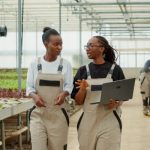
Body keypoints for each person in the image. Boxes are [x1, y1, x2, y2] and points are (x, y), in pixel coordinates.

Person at [71, 36, 125, 150]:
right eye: (87, 46)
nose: (87, 48)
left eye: (91, 45)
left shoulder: (115, 70)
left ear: (101, 48)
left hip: (109, 120)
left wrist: (115, 103)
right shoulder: (82, 71)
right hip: (87, 122)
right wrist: (82, 89)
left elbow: (121, 96)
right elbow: (78, 101)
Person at [26, 27, 73, 150]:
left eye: (61, 44)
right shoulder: (34, 64)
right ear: (46, 44)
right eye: (56, 44)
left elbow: (69, 85)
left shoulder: (65, 64)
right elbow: (29, 86)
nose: (60, 47)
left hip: (58, 114)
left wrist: (64, 94)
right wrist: (34, 96)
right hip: (38, 114)